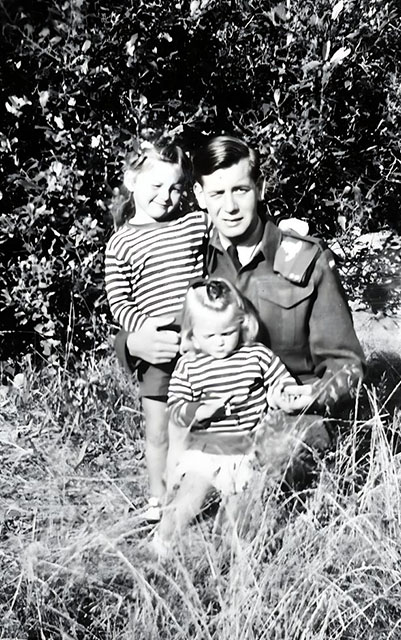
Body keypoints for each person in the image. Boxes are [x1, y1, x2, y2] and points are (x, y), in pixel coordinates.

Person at [115, 135, 365, 487]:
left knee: (266, 468)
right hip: (220, 421)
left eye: (240, 190)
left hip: (291, 418)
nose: (229, 207)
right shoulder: (193, 258)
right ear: (200, 196)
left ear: (259, 188)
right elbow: (152, 308)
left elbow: (347, 366)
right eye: (217, 194)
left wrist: (310, 395)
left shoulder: (306, 262)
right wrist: (130, 344)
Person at [153, 276, 298, 552]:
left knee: (238, 514)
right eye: (210, 336)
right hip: (208, 450)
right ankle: (162, 543)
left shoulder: (255, 355)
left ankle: (232, 557)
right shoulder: (190, 365)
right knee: (190, 497)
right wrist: (200, 410)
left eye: (227, 333)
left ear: (242, 324)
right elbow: (176, 408)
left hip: (248, 451)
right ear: (193, 334)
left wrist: (284, 395)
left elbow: (281, 381)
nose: (220, 342)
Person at [105, 141, 209, 521]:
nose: (166, 197)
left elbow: (233, 220)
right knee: (158, 430)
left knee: (201, 420)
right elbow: (119, 302)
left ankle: (199, 490)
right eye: (156, 186)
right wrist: (143, 334)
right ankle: (157, 497)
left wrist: (283, 228)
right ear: (132, 182)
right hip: (159, 347)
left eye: (176, 187)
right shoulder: (121, 243)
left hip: (200, 340)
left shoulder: (192, 223)